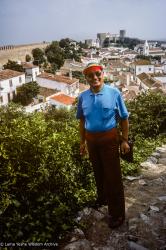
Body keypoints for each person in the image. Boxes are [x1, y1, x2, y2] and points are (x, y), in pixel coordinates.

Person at [76, 62, 130, 228]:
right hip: (91, 140)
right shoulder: (83, 97)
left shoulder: (114, 93)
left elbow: (124, 118)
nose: (95, 78)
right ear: (85, 78)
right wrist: (82, 142)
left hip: (109, 139)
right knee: (98, 172)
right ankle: (103, 199)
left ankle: (117, 213)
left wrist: (125, 140)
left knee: (113, 177)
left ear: (103, 74)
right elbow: (82, 120)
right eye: (90, 75)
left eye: (97, 74)